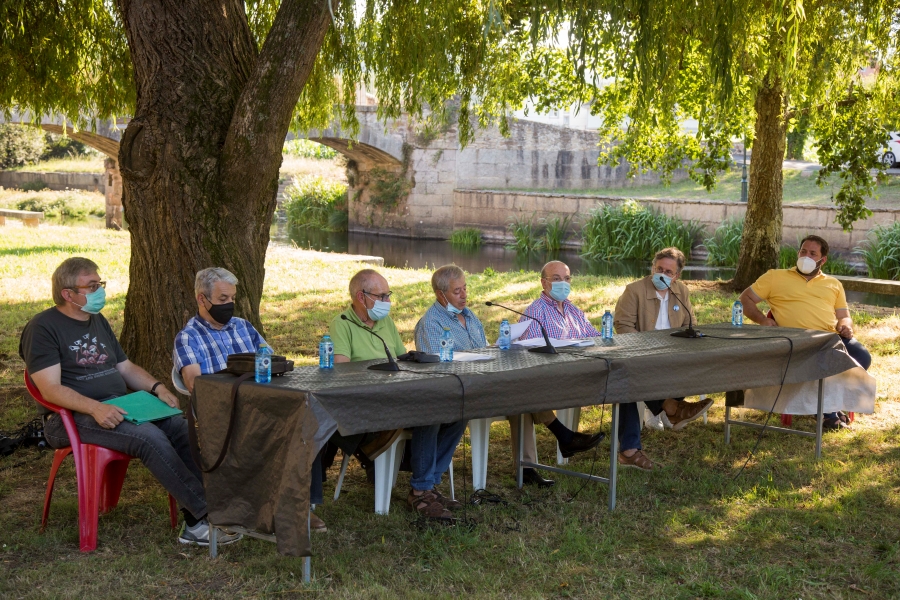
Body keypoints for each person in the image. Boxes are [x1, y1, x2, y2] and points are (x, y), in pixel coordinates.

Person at [19, 257, 240, 547]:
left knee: (178, 427)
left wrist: (157, 387)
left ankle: (213, 508)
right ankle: (201, 520)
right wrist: (95, 408)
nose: (100, 291)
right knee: (148, 437)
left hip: (119, 404)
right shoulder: (44, 327)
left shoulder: (96, 320)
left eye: (101, 284)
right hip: (69, 418)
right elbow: (50, 390)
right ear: (67, 293)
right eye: (92, 286)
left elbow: (125, 368)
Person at [172, 267, 327, 533]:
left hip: (261, 403)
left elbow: (272, 364)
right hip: (224, 415)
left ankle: (300, 507)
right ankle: (284, 509)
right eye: (222, 300)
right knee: (290, 430)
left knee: (309, 420)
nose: (229, 304)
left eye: (232, 298)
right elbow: (196, 386)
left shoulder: (244, 327)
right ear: (202, 299)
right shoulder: (188, 337)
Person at [330, 269, 465, 520]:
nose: (387, 301)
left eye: (388, 295)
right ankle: (421, 490)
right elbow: (342, 374)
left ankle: (428, 484)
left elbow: (403, 361)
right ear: (361, 296)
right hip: (368, 405)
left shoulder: (386, 322)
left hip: (398, 395)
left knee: (460, 409)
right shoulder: (342, 324)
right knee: (429, 413)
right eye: (382, 296)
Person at [738, 235, 872, 430]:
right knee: (822, 360)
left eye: (812, 253)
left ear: (822, 260)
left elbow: (844, 315)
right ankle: (827, 412)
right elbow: (745, 298)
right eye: (803, 251)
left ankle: (831, 404)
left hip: (829, 337)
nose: (805, 256)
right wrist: (762, 320)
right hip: (795, 340)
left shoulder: (833, 284)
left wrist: (846, 325)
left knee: (862, 357)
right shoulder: (775, 277)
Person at [612, 248, 714, 469]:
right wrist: (645, 347)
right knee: (629, 377)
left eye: (669, 271)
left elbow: (691, 322)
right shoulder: (634, 290)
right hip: (640, 353)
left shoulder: (681, 291)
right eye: (659, 269)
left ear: (677, 275)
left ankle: (671, 408)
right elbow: (622, 325)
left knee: (693, 364)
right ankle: (672, 410)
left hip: (672, 353)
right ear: (652, 268)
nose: (662, 274)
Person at [512, 261, 605, 486]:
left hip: (576, 375)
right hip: (547, 378)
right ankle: (564, 438)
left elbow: (595, 339)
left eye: (567, 278)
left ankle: (563, 439)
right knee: (521, 394)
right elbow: (533, 352)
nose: (563, 283)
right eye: (556, 278)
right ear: (544, 283)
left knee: (521, 398)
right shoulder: (536, 312)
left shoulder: (573, 310)